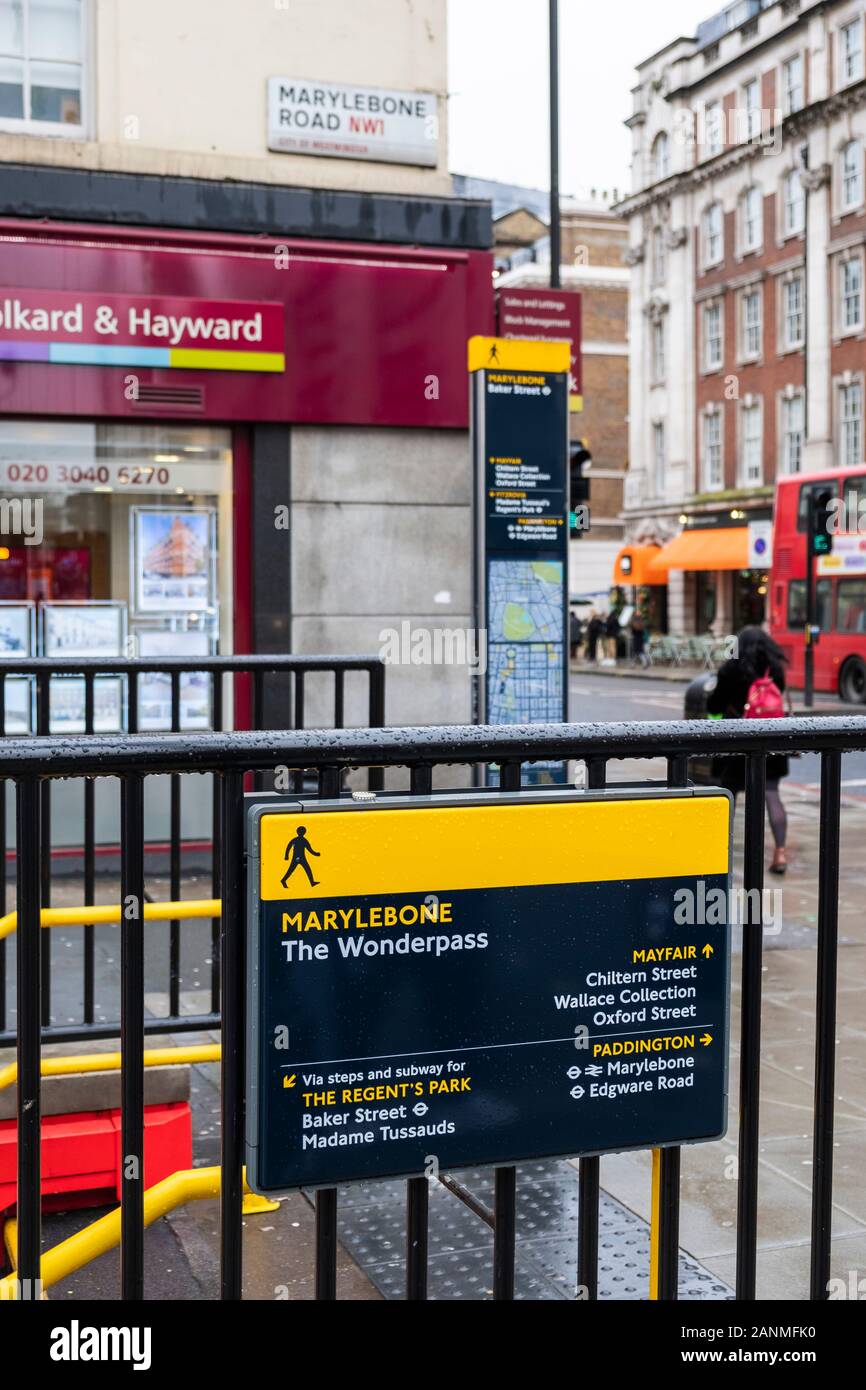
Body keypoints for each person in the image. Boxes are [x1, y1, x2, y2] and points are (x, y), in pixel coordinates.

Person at [706, 626, 790, 875]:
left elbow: (715, 706)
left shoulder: (731, 670)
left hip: (738, 741)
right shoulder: (774, 669)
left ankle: (718, 853)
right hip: (771, 739)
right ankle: (780, 853)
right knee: (772, 793)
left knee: (727, 795)